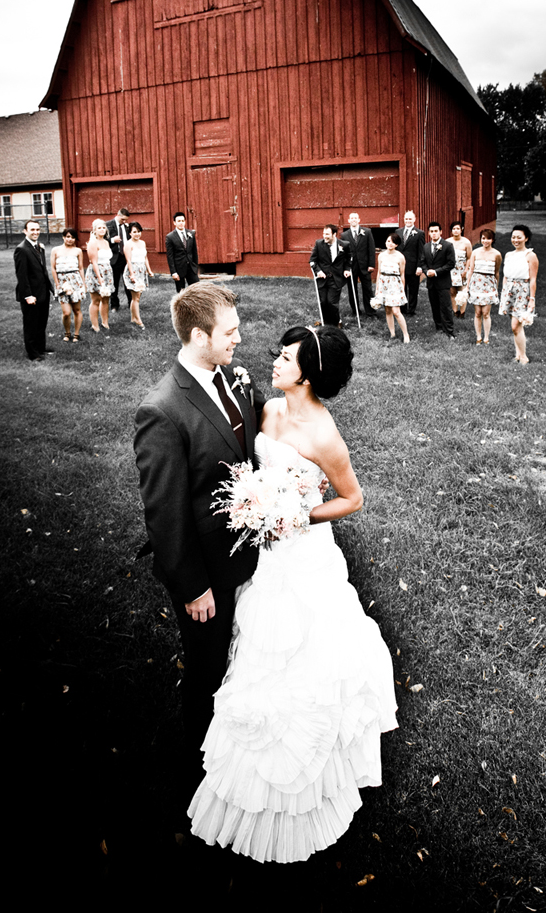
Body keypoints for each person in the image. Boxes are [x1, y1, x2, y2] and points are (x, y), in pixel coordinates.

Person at [188, 325, 398, 862]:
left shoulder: (324, 436)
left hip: (301, 552)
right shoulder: (268, 410)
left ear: (307, 374)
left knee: (303, 650)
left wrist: (296, 516)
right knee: (258, 637)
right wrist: (256, 504)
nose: (275, 362)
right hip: (265, 552)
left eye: (285, 358)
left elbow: (352, 498)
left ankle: (303, 767)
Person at [134, 282, 265, 786]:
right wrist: (193, 588)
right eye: (229, 332)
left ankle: (238, 747)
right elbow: (165, 513)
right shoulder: (162, 410)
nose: (238, 339)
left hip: (247, 553)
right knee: (207, 668)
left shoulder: (230, 376)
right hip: (206, 573)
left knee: (241, 657)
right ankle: (203, 770)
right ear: (198, 336)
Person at [13, 219, 55, 361]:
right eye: (32, 230)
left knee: (41, 322)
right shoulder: (22, 249)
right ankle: (32, 353)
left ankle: (41, 348)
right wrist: (28, 295)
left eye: (37, 229)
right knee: (31, 324)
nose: (35, 232)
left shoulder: (39, 247)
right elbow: (22, 275)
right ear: (25, 231)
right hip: (31, 294)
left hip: (42, 292)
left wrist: (51, 289)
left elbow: (43, 271)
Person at [499, 224, 539, 365]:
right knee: (516, 325)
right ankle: (518, 355)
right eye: (513, 237)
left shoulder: (531, 255)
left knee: (515, 325)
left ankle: (523, 357)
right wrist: (504, 292)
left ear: (526, 238)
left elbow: (533, 279)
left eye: (519, 237)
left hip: (523, 291)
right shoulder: (508, 255)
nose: (515, 240)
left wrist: (532, 299)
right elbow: (505, 276)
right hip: (509, 290)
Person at [417, 221, 456, 339]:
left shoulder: (448, 246)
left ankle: (449, 331)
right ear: (429, 233)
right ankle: (439, 327)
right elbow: (422, 261)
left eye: (436, 231)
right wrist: (426, 271)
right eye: (431, 231)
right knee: (434, 306)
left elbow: (451, 263)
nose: (434, 233)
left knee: (446, 307)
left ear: (440, 232)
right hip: (431, 283)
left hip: (443, 282)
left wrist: (436, 272)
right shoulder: (426, 246)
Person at [309, 224, 351, 326]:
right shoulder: (319, 244)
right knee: (323, 302)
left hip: (336, 278)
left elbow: (349, 259)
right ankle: (326, 322)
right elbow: (312, 260)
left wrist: (347, 269)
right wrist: (318, 271)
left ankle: (336, 323)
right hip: (322, 278)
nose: (325, 236)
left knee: (332, 302)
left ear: (334, 234)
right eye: (324, 234)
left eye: (327, 234)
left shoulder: (344, 245)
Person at [466, 229, 501, 346]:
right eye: (483, 238)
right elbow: (471, 270)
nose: (485, 241)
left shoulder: (497, 254)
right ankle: (478, 337)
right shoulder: (475, 252)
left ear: (493, 240)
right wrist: (467, 286)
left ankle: (486, 338)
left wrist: (496, 288)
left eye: (488, 238)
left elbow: (496, 273)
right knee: (477, 312)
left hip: (489, 285)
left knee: (486, 313)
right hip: (476, 284)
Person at [374, 232, 410, 344]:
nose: (390, 244)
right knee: (388, 310)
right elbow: (379, 273)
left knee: (396, 311)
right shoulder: (381, 255)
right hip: (383, 284)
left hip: (395, 285)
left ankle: (406, 334)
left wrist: (402, 289)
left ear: (397, 245)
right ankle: (392, 334)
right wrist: (377, 288)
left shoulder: (400, 257)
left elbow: (402, 274)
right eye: (389, 241)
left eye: (393, 242)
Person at [50, 228, 86, 343]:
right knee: (66, 312)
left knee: (77, 309)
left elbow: (81, 268)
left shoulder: (78, 251)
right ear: (63, 237)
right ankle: (67, 333)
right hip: (62, 281)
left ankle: (76, 334)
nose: (70, 239)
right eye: (68, 237)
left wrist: (83, 283)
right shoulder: (55, 250)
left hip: (75, 280)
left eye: (73, 237)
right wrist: (57, 284)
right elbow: (53, 268)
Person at [342, 212, 376, 320]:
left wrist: (371, 264)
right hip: (351, 267)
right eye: (351, 218)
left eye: (355, 218)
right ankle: (355, 310)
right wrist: (346, 268)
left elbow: (371, 249)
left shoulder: (367, 232)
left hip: (365, 266)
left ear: (359, 220)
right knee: (352, 289)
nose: (353, 220)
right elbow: (343, 253)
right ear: (348, 220)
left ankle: (370, 311)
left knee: (367, 289)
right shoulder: (344, 235)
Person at [85, 218, 114, 334]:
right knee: (96, 300)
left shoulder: (106, 242)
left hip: (107, 271)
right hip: (96, 271)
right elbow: (94, 262)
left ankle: (105, 323)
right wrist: (99, 278)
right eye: (99, 228)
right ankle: (95, 325)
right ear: (94, 230)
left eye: (103, 228)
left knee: (106, 298)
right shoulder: (92, 243)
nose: (102, 230)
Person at [123, 221, 153, 328]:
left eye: (139, 231)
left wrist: (149, 270)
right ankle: (138, 320)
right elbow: (128, 260)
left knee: (137, 297)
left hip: (141, 270)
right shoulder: (128, 244)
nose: (137, 234)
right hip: (133, 270)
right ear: (130, 233)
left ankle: (133, 318)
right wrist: (132, 274)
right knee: (135, 297)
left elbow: (145, 258)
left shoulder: (143, 243)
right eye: (134, 232)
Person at [397, 210, 425, 316]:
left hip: (413, 265)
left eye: (410, 219)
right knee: (402, 287)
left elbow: (421, 251)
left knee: (413, 289)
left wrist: (419, 266)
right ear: (404, 219)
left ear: (414, 220)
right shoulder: (398, 231)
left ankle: (411, 310)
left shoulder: (419, 233)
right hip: (400, 265)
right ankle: (403, 308)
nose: (408, 221)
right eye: (406, 219)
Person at [166, 212, 199, 292]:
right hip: (179, 268)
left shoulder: (190, 234)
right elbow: (170, 256)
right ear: (174, 223)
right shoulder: (170, 237)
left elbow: (194, 251)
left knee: (197, 290)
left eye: (182, 221)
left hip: (191, 267)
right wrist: (173, 272)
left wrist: (195, 266)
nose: (181, 223)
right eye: (179, 221)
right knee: (181, 292)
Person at [106, 208, 131, 311]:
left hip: (126, 257)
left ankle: (131, 304)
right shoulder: (107, 225)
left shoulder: (127, 226)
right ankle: (114, 305)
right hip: (114, 258)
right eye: (122, 219)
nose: (124, 221)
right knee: (114, 283)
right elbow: (101, 239)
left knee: (128, 282)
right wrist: (112, 240)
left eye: (126, 220)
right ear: (118, 215)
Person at [446, 221, 472, 318]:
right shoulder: (447, 241)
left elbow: (469, 258)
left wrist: (466, 270)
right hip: (451, 270)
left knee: (462, 291)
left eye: (458, 228)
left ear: (462, 229)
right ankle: (455, 311)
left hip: (462, 269)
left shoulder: (466, 242)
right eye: (454, 229)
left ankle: (462, 312)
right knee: (452, 291)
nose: (456, 231)